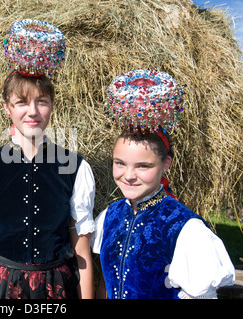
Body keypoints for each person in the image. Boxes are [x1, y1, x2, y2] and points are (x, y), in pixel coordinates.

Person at [91, 69, 235, 299]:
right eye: (120, 163)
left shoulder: (184, 228)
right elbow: (106, 286)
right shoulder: (111, 215)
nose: (128, 176)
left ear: (165, 164)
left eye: (143, 166)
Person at [0, 69, 96, 299]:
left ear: (52, 105)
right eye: (21, 102)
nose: (33, 112)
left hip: (55, 288)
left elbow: (82, 251)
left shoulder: (75, 168)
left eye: (42, 101)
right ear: (6, 107)